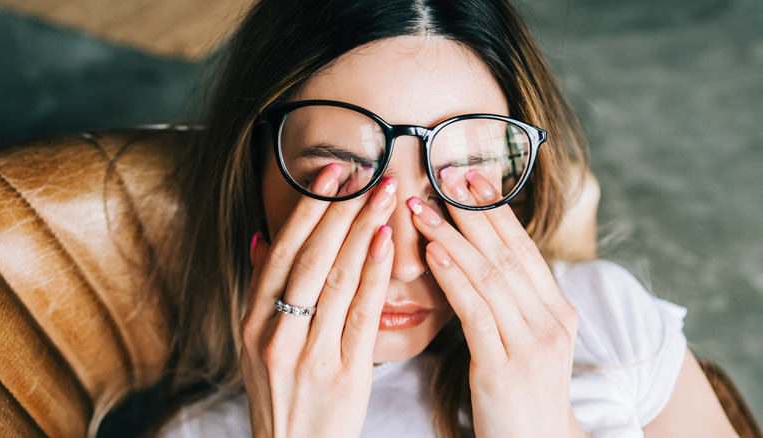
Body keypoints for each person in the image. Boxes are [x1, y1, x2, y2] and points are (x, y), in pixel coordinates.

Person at [153, 0, 738, 436]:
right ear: (251, 173)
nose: (405, 263)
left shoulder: (611, 323)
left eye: (460, 180)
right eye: (341, 183)